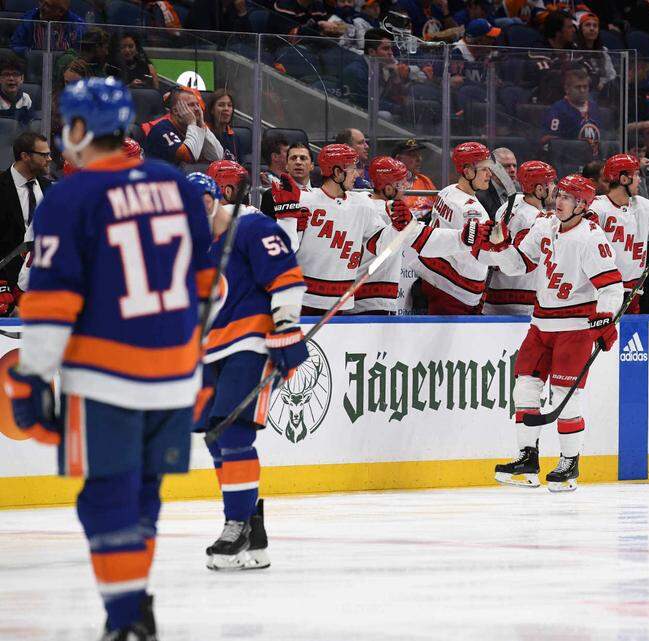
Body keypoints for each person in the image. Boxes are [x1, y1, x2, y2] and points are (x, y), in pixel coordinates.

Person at [4, 77, 211, 639]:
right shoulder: (176, 184)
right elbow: (206, 284)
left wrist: (30, 378)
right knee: (144, 494)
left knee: (104, 499)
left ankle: (126, 620)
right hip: (175, 374)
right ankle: (135, 602)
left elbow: (49, 307)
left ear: (75, 130)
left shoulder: (70, 197)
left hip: (106, 377)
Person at [192, 162, 306, 571]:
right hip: (209, 351)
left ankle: (235, 524)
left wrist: (287, 326)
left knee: (233, 431)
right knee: (212, 437)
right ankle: (252, 528)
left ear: (209, 201)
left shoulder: (253, 228)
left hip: (251, 343)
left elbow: (286, 277)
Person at [480, 174, 622, 492]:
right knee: (524, 391)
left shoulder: (591, 238)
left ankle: (569, 464)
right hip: (540, 325)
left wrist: (605, 318)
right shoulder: (545, 226)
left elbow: (612, 288)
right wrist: (500, 245)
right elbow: (518, 265)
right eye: (559, 194)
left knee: (565, 400)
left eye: (567, 197)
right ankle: (527, 459)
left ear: (582, 205)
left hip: (574, 329)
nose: (559, 200)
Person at [351, 156, 483, 315]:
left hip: (355, 292)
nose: (406, 186)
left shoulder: (360, 200)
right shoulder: (394, 213)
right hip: (372, 300)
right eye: (400, 183)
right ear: (388, 189)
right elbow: (426, 240)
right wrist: (461, 238)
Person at [272, 144, 375, 315]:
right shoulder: (304, 201)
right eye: (351, 168)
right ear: (337, 173)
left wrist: (400, 225)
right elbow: (284, 252)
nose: (356, 174)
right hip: (303, 299)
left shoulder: (362, 203)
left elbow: (380, 242)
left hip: (341, 300)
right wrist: (287, 219)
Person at [587, 154, 649, 313]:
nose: (639, 179)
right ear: (624, 179)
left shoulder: (645, 206)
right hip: (600, 293)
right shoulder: (597, 208)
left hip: (634, 294)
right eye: (636, 174)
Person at [417, 141, 494, 314]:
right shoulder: (474, 212)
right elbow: (478, 255)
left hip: (432, 277)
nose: (489, 174)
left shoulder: (447, 191)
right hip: (455, 291)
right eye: (484, 169)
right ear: (467, 171)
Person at [484, 161, 557, 315]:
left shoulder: (509, 205)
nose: (554, 188)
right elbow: (520, 261)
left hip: (496, 292)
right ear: (539, 189)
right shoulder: (535, 220)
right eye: (550, 183)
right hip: (521, 300)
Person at [0, 132, 52, 309]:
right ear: (25, 156)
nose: (50, 159)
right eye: (44, 154)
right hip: (7, 284)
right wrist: (1, 284)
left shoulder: (50, 188)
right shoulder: (2, 188)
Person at [141, 86, 225, 167]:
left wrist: (202, 124)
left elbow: (217, 157)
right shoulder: (162, 129)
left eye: (197, 105)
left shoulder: (194, 128)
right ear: (175, 110)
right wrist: (192, 123)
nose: (197, 109)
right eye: (191, 105)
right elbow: (189, 156)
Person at [542, 68, 604, 159]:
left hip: (594, 160)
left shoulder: (594, 108)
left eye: (585, 87)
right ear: (567, 89)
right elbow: (547, 139)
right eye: (578, 87)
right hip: (569, 160)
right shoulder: (558, 109)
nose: (582, 90)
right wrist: (576, 144)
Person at [10, 0, 87, 56]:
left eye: (47, 5)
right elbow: (16, 46)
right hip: (33, 67)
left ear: (61, 11)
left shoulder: (76, 25)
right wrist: (30, 54)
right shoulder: (29, 19)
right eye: (41, 2)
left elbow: (81, 53)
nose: (41, 7)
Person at [393, 139, 437, 219]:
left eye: (419, 155)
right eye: (413, 155)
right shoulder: (389, 185)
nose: (419, 159)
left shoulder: (424, 180)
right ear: (398, 159)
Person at [574, 11, 617, 90]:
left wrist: (601, 82)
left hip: (601, 91)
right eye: (587, 25)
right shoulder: (574, 49)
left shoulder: (603, 50)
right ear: (581, 29)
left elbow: (611, 75)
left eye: (595, 26)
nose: (592, 28)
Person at [205, 90, 242, 162]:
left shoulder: (235, 137)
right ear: (212, 110)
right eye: (221, 105)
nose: (226, 109)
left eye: (229, 105)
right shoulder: (205, 133)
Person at [0, 53, 34, 126]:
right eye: (6, 74)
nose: (11, 78)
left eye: (15, 74)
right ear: (0, 79)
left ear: (22, 78)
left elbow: (30, 125)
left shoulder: (26, 99)